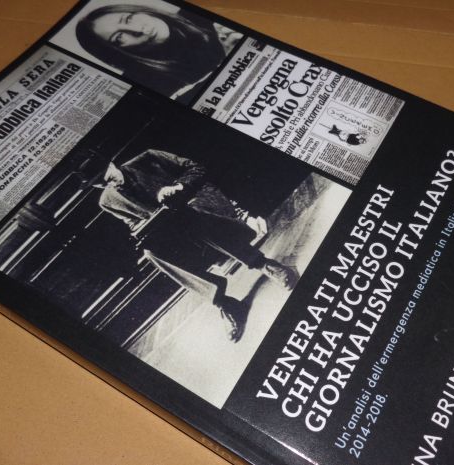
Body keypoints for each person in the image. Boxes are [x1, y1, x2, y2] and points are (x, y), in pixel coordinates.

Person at [97, 149, 299, 342]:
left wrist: (178, 186)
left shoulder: (147, 159)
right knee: (151, 252)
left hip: (199, 202)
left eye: (109, 177)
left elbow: (196, 168)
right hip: (174, 228)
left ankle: (265, 264)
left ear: (112, 164)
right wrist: (143, 228)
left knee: (191, 214)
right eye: (102, 184)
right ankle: (224, 303)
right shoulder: (107, 200)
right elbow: (132, 222)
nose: (110, 184)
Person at [75, 4, 242, 101]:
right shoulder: (147, 87)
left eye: (128, 19)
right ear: (118, 53)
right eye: (119, 37)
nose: (137, 29)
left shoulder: (199, 13)